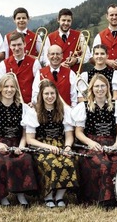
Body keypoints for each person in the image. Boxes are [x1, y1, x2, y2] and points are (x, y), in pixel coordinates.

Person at [0, 73, 38, 207]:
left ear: (16, 89)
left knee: (25, 158)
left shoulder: (24, 109)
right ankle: (2, 196)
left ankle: (21, 194)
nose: (9, 90)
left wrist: (21, 147)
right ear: (0, 89)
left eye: (12, 87)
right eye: (6, 86)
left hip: (17, 144)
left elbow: (24, 135)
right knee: (1, 162)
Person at [71, 74, 117, 206]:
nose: (100, 89)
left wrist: (116, 145)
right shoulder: (84, 107)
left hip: (111, 142)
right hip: (91, 143)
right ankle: (101, 200)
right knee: (103, 163)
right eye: (96, 86)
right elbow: (78, 133)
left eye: (103, 85)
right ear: (92, 88)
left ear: (108, 87)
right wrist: (91, 143)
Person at [23, 80, 78, 208]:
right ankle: (47, 196)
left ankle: (59, 197)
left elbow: (69, 136)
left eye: (52, 93)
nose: (49, 97)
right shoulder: (34, 111)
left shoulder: (64, 110)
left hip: (60, 145)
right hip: (40, 146)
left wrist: (68, 147)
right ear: (41, 95)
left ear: (56, 94)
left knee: (69, 162)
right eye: (46, 94)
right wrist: (49, 147)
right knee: (50, 163)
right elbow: (30, 139)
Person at [0, 32, 41, 104]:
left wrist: (34, 102)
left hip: (30, 105)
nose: (17, 48)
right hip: (10, 105)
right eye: (13, 45)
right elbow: (0, 88)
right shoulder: (3, 65)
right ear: (10, 46)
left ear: (24, 44)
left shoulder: (35, 63)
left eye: (19, 44)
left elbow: (39, 87)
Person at [89, 4, 117, 75]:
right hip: (104, 76)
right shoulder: (99, 36)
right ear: (107, 16)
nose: (114, 17)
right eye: (111, 15)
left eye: (116, 15)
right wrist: (107, 61)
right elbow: (91, 59)